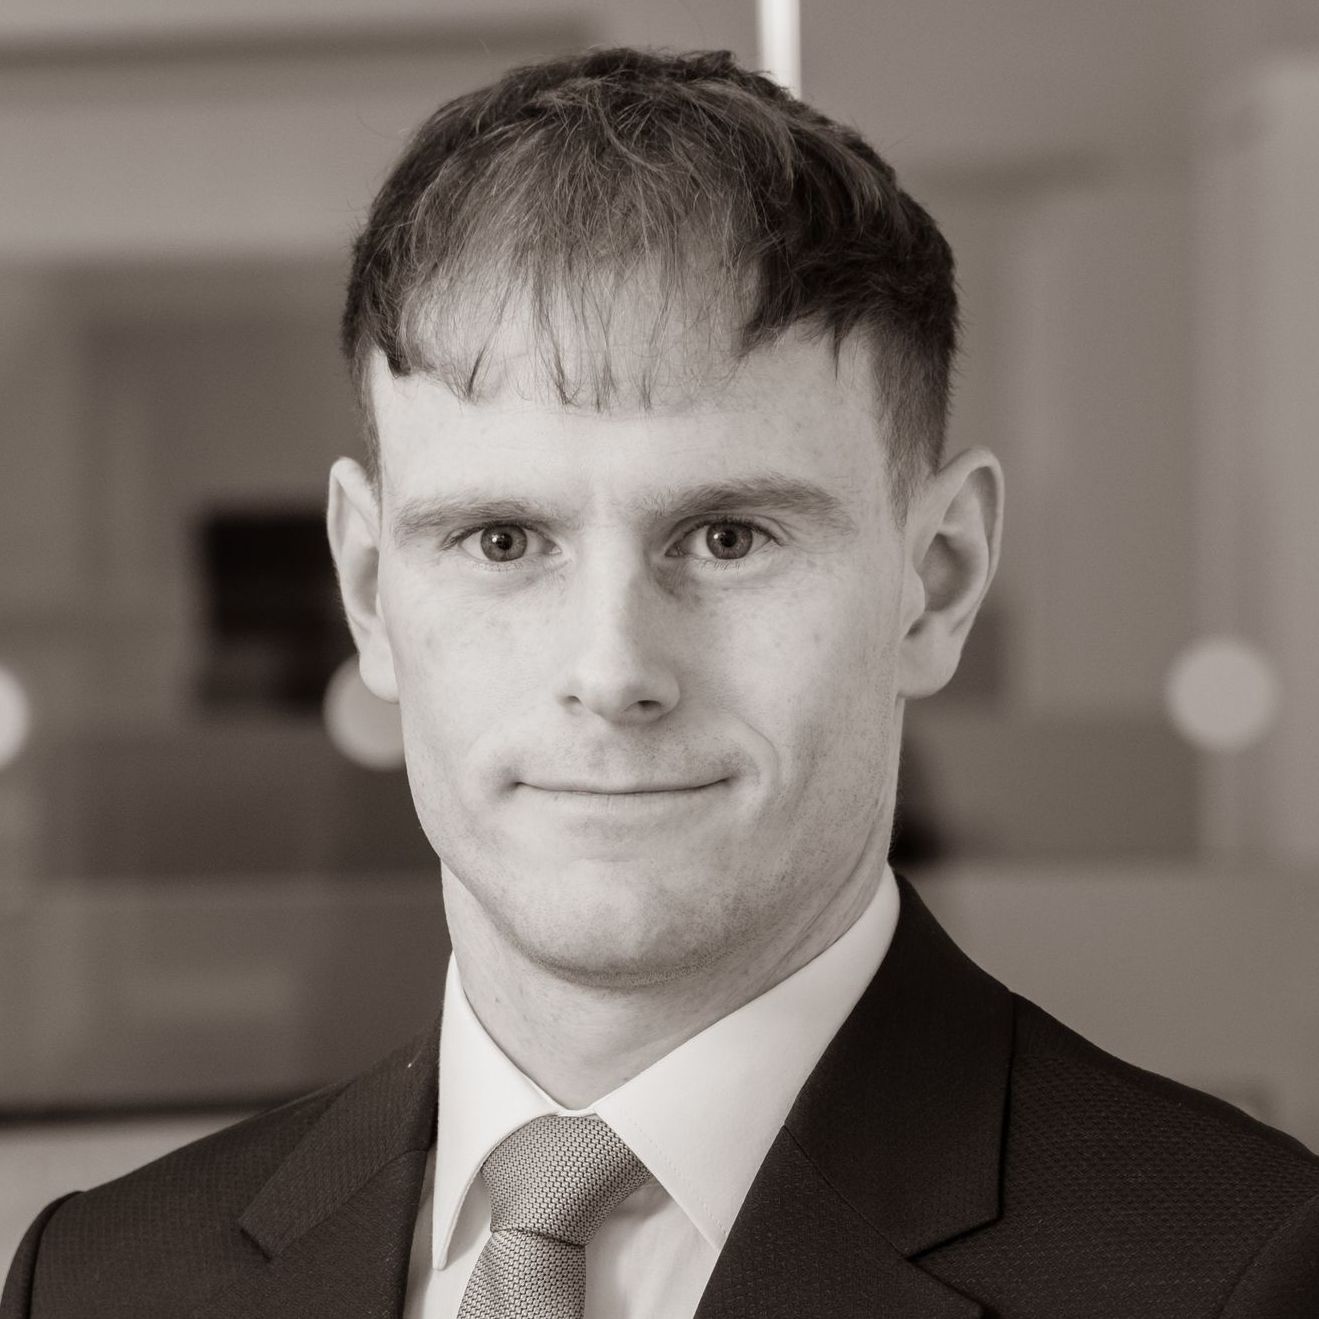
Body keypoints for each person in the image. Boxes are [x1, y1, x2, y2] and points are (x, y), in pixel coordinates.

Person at [4, 45, 1318, 1319]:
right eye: (503, 542)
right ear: (367, 591)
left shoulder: (1242, 1279)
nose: (612, 670)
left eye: (729, 537)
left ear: (942, 577)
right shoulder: (99, 1281)